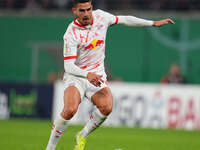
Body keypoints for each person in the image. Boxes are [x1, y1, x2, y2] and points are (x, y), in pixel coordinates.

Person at [46, 0, 175, 150]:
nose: (86, 14)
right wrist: (87, 74)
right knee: (70, 110)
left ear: (92, 8)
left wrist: (152, 23)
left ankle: (82, 135)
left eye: (88, 9)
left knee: (107, 107)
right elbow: (68, 66)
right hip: (78, 76)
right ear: (75, 11)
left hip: (97, 75)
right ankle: (50, 148)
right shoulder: (71, 32)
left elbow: (125, 19)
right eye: (82, 11)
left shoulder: (101, 17)